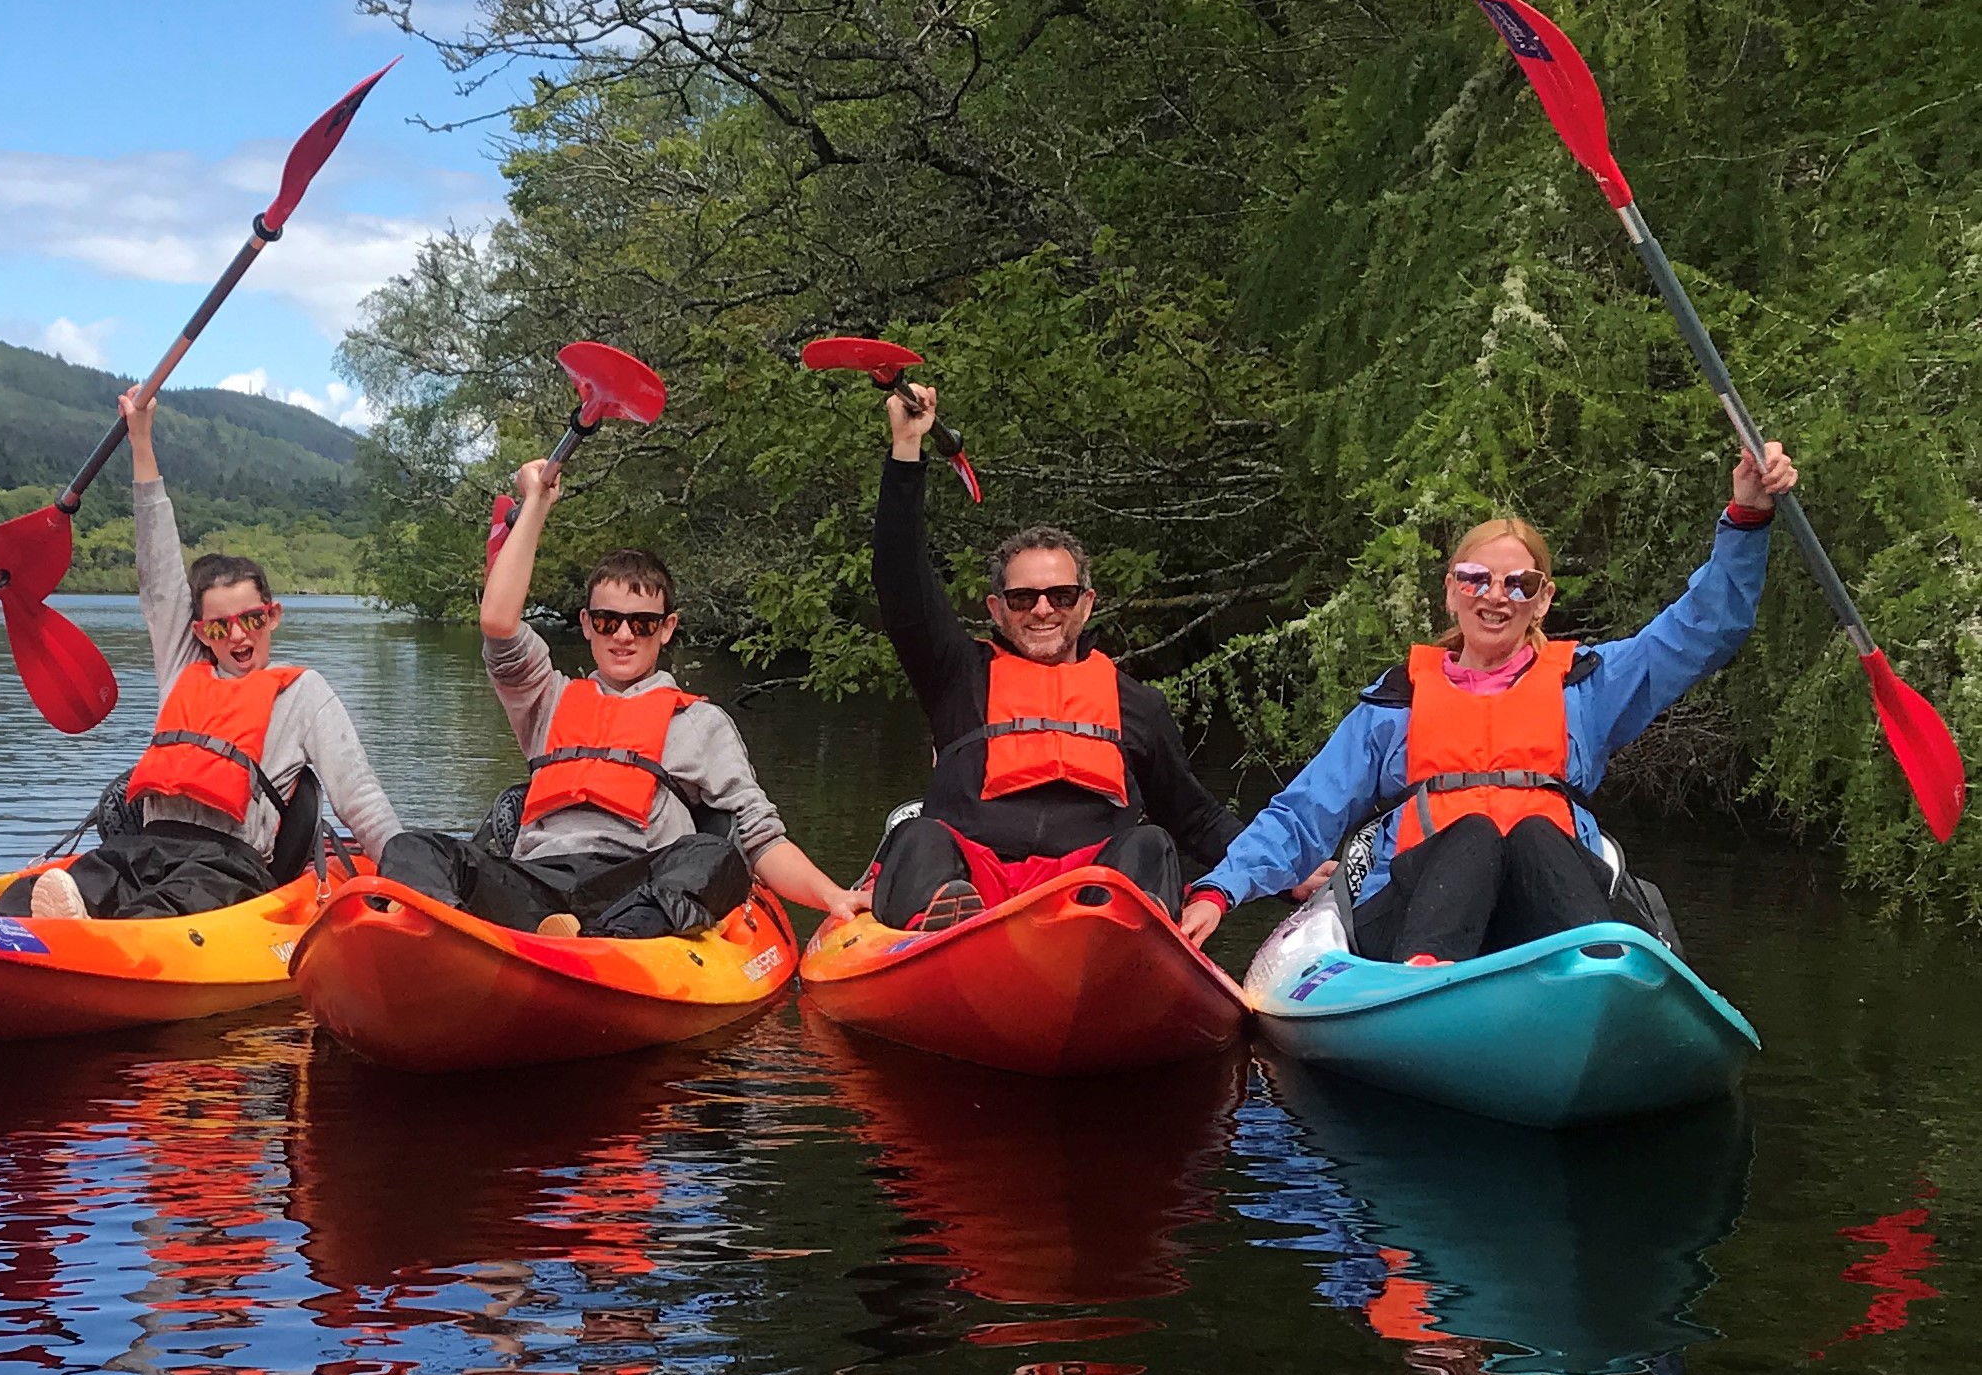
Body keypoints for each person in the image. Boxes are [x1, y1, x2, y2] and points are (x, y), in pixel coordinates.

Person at [1177, 439, 1798, 964]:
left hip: (1547, 896)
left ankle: (1598, 977)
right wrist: (1218, 890)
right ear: (1451, 592)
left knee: (1530, 828)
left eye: (1518, 583)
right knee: (1473, 831)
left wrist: (1746, 517)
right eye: (1476, 579)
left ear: (1543, 599)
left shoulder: (1586, 685)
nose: (1495, 596)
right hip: (1420, 904)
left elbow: (1704, 629)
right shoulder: (1397, 704)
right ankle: (1427, 981)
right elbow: (1305, 814)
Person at [376, 455, 862, 937]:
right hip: (537, 881)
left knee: (717, 856)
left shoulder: (700, 724)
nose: (624, 636)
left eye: (642, 624)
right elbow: (498, 623)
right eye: (608, 621)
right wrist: (535, 503)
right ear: (586, 624)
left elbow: (759, 838)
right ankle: (449, 940)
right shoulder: (547, 697)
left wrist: (832, 896)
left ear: (666, 629)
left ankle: (606, 944)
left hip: (636, 883)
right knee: (411, 848)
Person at [3, 389, 402, 920]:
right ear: (201, 631)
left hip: (227, 866)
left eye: (252, 620)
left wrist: (409, 875)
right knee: (66, 883)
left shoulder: (305, 694)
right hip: (145, 847)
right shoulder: (184, 667)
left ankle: (90, 945)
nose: (239, 637)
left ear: (273, 615)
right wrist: (140, 439)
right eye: (221, 626)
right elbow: (160, 572)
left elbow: (361, 800)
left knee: (163, 908)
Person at [868, 383, 1236, 928]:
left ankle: (1110, 946)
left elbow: (1196, 818)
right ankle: (942, 925)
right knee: (917, 832)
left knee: (1152, 843)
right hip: (973, 885)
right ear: (996, 609)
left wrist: (1288, 869)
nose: (1042, 611)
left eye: (1060, 596)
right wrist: (907, 449)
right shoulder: (957, 675)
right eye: (1023, 598)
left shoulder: (1137, 705)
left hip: (1085, 898)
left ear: (1085, 605)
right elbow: (900, 580)